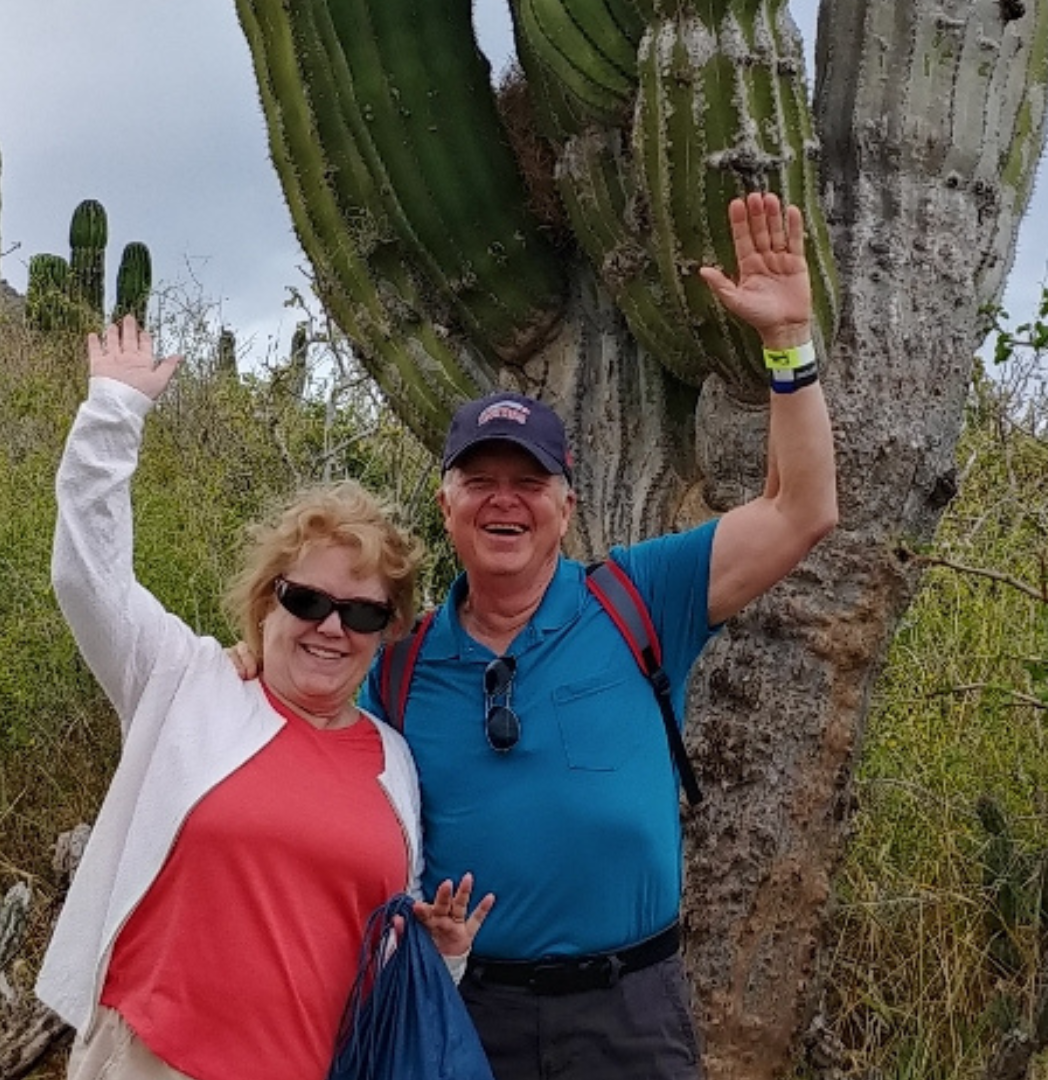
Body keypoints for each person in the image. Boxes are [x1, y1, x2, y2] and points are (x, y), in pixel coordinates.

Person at [241, 191, 838, 1078]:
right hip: (459, 1006)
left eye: (530, 480)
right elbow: (295, 722)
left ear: (568, 503)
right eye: (479, 479)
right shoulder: (393, 664)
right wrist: (235, 669)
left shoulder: (640, 599)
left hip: (629, 1011)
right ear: (446, 507)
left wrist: (789, 345)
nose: (504, 499)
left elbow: (803, 510)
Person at [37, 315, 493, 1080]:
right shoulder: (184, 682)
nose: (330, 628)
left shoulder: (392, 761)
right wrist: (112, 412)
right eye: (307, 601)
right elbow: (87, 576)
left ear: (388, 630)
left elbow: (380, 940)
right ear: (265, 601)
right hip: (154, 1062)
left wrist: (441, 955)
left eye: (362, 612)